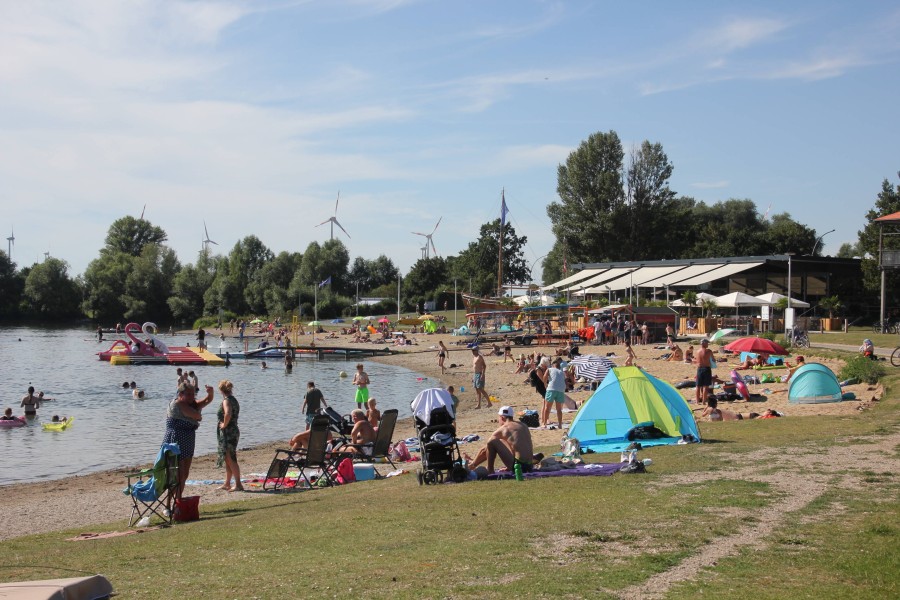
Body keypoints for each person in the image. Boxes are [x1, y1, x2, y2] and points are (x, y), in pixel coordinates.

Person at [162, 381, 214, 499]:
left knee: (185, 474)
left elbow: (206, 401)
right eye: (188, 394)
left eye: (193, 394)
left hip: (188, 440)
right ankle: (168, 504)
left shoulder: (191, 403)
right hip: (175, 442)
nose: (192, 397)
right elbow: (197, 416)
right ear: (181, 394)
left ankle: (178, 500)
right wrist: (198, 414)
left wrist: (210, 393)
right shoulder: (178, 404)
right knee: (177, 475)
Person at [466, 406, 535, 475]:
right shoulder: (523, 425)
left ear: (502, 418)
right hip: (530, 466)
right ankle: (473, 465)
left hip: (518, 467)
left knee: (492, 441)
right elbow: (517, 447)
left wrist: (473, 463)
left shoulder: (504, 428)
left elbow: (487, 447)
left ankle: (490, 470)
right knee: (502, 441)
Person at [216, 380, 243, 492]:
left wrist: (224, 425)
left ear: (221, 390)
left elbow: (228, 413)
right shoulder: (234, 400)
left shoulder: (226, 401)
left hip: (229, 432)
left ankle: (238, 484)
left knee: (231, 457)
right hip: (233, 430)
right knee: (228, 458)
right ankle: (227, 483)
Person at [541, 357, 566, 429]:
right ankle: (560, 424)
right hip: (561, 390)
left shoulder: (549, 369)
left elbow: (544, 377)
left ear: (553, 365)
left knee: (547, 407)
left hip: (552, 388)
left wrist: (545, 384)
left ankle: (544, 423)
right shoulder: (561, 372)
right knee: (559, 409)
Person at [694, 339, 714, 405]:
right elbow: (713, 360)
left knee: (698, 386)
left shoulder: (697, 351)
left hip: (699, 369)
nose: (708, 344)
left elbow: (696, 360)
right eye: (707, 343)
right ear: (704, 344)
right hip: (706, 368)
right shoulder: (709, 351)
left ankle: (697, 401)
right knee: (706, 386)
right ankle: (704, 401)